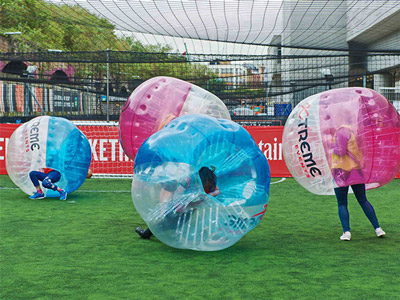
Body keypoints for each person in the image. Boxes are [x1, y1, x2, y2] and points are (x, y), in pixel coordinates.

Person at [331, 126, 385, 241]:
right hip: (356, 169)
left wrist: (330, 146)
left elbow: (340, 151)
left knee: (342, 203)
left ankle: (346, 232)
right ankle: (378, 228)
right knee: (363, 200)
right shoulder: (354, 131)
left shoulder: (341, 131)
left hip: (341, 171)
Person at [135, 166, 220, 239]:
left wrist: (207, 196)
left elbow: (217, 191)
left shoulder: (208, 182)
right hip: (180, 206)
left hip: (189, 207)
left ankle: (149, 233)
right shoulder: (192, 180)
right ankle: (147, 233)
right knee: (166, 222)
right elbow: (178, 194)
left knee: (170, 223)